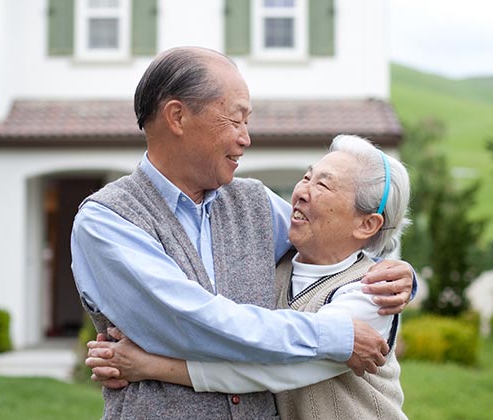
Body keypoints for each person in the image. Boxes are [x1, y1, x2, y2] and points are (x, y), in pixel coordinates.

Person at [71, 46, 414, 419]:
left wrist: (399, 276)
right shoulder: (106, 222)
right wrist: (337, 336)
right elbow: (194, 323)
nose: (245, 139)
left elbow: (335, 239)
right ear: (178, 117)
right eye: (236, 120)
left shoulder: (254, 203)